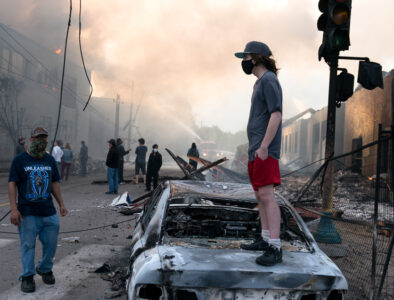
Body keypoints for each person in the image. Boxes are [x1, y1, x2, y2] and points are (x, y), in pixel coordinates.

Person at [235, 41, 283, 266]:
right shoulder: (259, 83)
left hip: (265, 151)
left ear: (256, 58)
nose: (243, 62)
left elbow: (276, 115)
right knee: (259, 197)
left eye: (245, 58)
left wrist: (264, 146)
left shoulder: (269, 80)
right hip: (256, 150)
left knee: (267, 196)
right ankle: (265, 240)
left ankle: (275, 246)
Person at [8, 126, 68, 293]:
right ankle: (27, 276)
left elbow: (55, 182)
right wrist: (14, 209)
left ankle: (44, 268)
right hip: (27, 213)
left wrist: (61, 203)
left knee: (51, 244)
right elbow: (12, 183)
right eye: (38, 138)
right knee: (28, 245)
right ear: (31, 139)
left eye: (44, 138)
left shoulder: (49, 160)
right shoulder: (19, 160)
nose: (41, 141)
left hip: (48, 211)